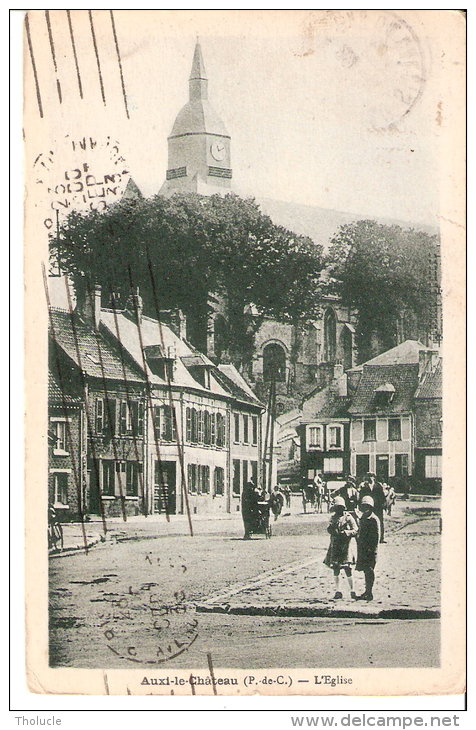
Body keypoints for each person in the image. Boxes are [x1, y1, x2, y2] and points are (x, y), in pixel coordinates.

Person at [324, 496, 359, 600]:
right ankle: (338, 590)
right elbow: (329, 528)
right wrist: (331, 530)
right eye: (337, 508)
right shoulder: (333, 518)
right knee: (335, 568)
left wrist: (346, 533)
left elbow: (356, 529)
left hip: (345, 546)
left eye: (340, 508)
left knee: (347, 568)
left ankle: (352, 590)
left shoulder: (348, 517)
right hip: (335, 545)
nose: (339, 510)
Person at [355, 495, 380, 601]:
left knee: (369, 570)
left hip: (370, 549)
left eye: (367, 506)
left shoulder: (374, 519)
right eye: (363, 506)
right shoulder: (363, 518)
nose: (365, 508)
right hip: (363, 548)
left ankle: (369, 592)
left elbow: (376, 536)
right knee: (366, 570)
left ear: (371, 507)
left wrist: (372, 549)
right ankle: (367, 591)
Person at [359, 472, 387, 543]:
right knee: (367, 520)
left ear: (374, 477)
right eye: (369, 476)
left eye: (371, 476)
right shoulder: (364, 486)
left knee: (380, 521)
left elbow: (382, 496)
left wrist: (384, 505)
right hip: (368, 506)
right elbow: (361, 496)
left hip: (378, 507)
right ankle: (368, 538)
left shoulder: (378, 486)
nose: (370, 478)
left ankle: (381, 538)